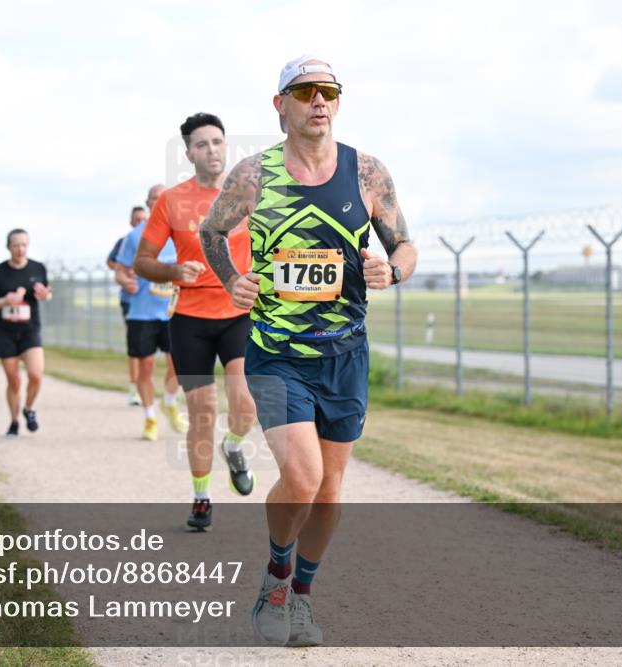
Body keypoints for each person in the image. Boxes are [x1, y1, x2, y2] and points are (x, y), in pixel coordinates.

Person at [199, 56, 417, 647]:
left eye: (329, 91)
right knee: (302, 473)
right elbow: (212, 232)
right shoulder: (255, 174)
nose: (318, 101)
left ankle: (301, 596)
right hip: (276, 352)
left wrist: (390, 270)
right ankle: (274, 578)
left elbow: (404, 245)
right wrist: (231, 280)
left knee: (329, 490)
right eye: (305, 91)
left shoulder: (367, 173)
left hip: (345, 354)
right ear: (282, 105)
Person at [133, 113, 258, 532]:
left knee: (246, 401)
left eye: (217, 142)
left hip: (239, 312)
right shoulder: (171, 201)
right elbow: (143, 262)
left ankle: (234, 446)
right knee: (202, 410)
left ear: (226, 146)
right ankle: (202, 497)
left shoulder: (249, 194)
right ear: (189, 153)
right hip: (189, 319)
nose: (211, 150)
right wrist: (172, 272)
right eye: (202, 144)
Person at [115, 204, 186, 440]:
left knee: (178, 365)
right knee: (146, 367)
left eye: (162, 198)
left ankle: (168, 401)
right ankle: (150, 417)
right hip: (141, 312)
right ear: (148, 203)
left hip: (173, 310)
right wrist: (126, 282)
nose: (158, 202)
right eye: (154, 198)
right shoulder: (135, 236)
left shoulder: (180, 231)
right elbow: (120, 270)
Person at [0, 229, 52, 437]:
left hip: (30, 330)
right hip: (5, 331)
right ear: (8, 247)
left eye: (24, 245)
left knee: (36, 375)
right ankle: (13, 421)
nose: (21, 249)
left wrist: (46, 295)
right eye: (16, 245)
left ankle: (29, 409)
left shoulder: (38, 268)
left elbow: (47, 292)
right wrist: (4, 301)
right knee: (14, 381)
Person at [107, 204, 149, 406]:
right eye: (137, 219)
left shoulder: (156, 239)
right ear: (131, 221)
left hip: (155, 301)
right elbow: (111, 261)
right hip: (131, 301)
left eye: (144, 218)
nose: (140, 222)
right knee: (136, 348)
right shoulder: (126, 241)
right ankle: (134, 388)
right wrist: (125, 271)